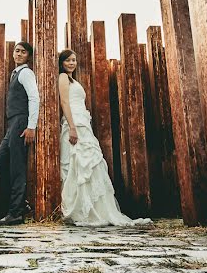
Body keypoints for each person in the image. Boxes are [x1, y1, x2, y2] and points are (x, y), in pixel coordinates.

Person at [58, 49, 150, 226]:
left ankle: (94, 209)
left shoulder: (73, 80)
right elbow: (64, 102)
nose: (71, 63)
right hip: (75, 123)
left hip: (82, 122)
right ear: (62, 63)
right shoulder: (62, 77)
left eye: (74, 60)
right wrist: (72, 127)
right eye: (68, 60)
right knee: (76, 164)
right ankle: (79, 209)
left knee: (90, 164)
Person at [0, 41, 39, 225]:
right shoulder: (15, 74)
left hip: (20, 123)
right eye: (16, 51)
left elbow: (34, 98)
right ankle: (21, 204)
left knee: (17, 168)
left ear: (28, 56)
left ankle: (15, 213)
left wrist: (31, 126)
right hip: (12, 124)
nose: (18, 54)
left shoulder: (26, 73)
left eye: (23, 52)